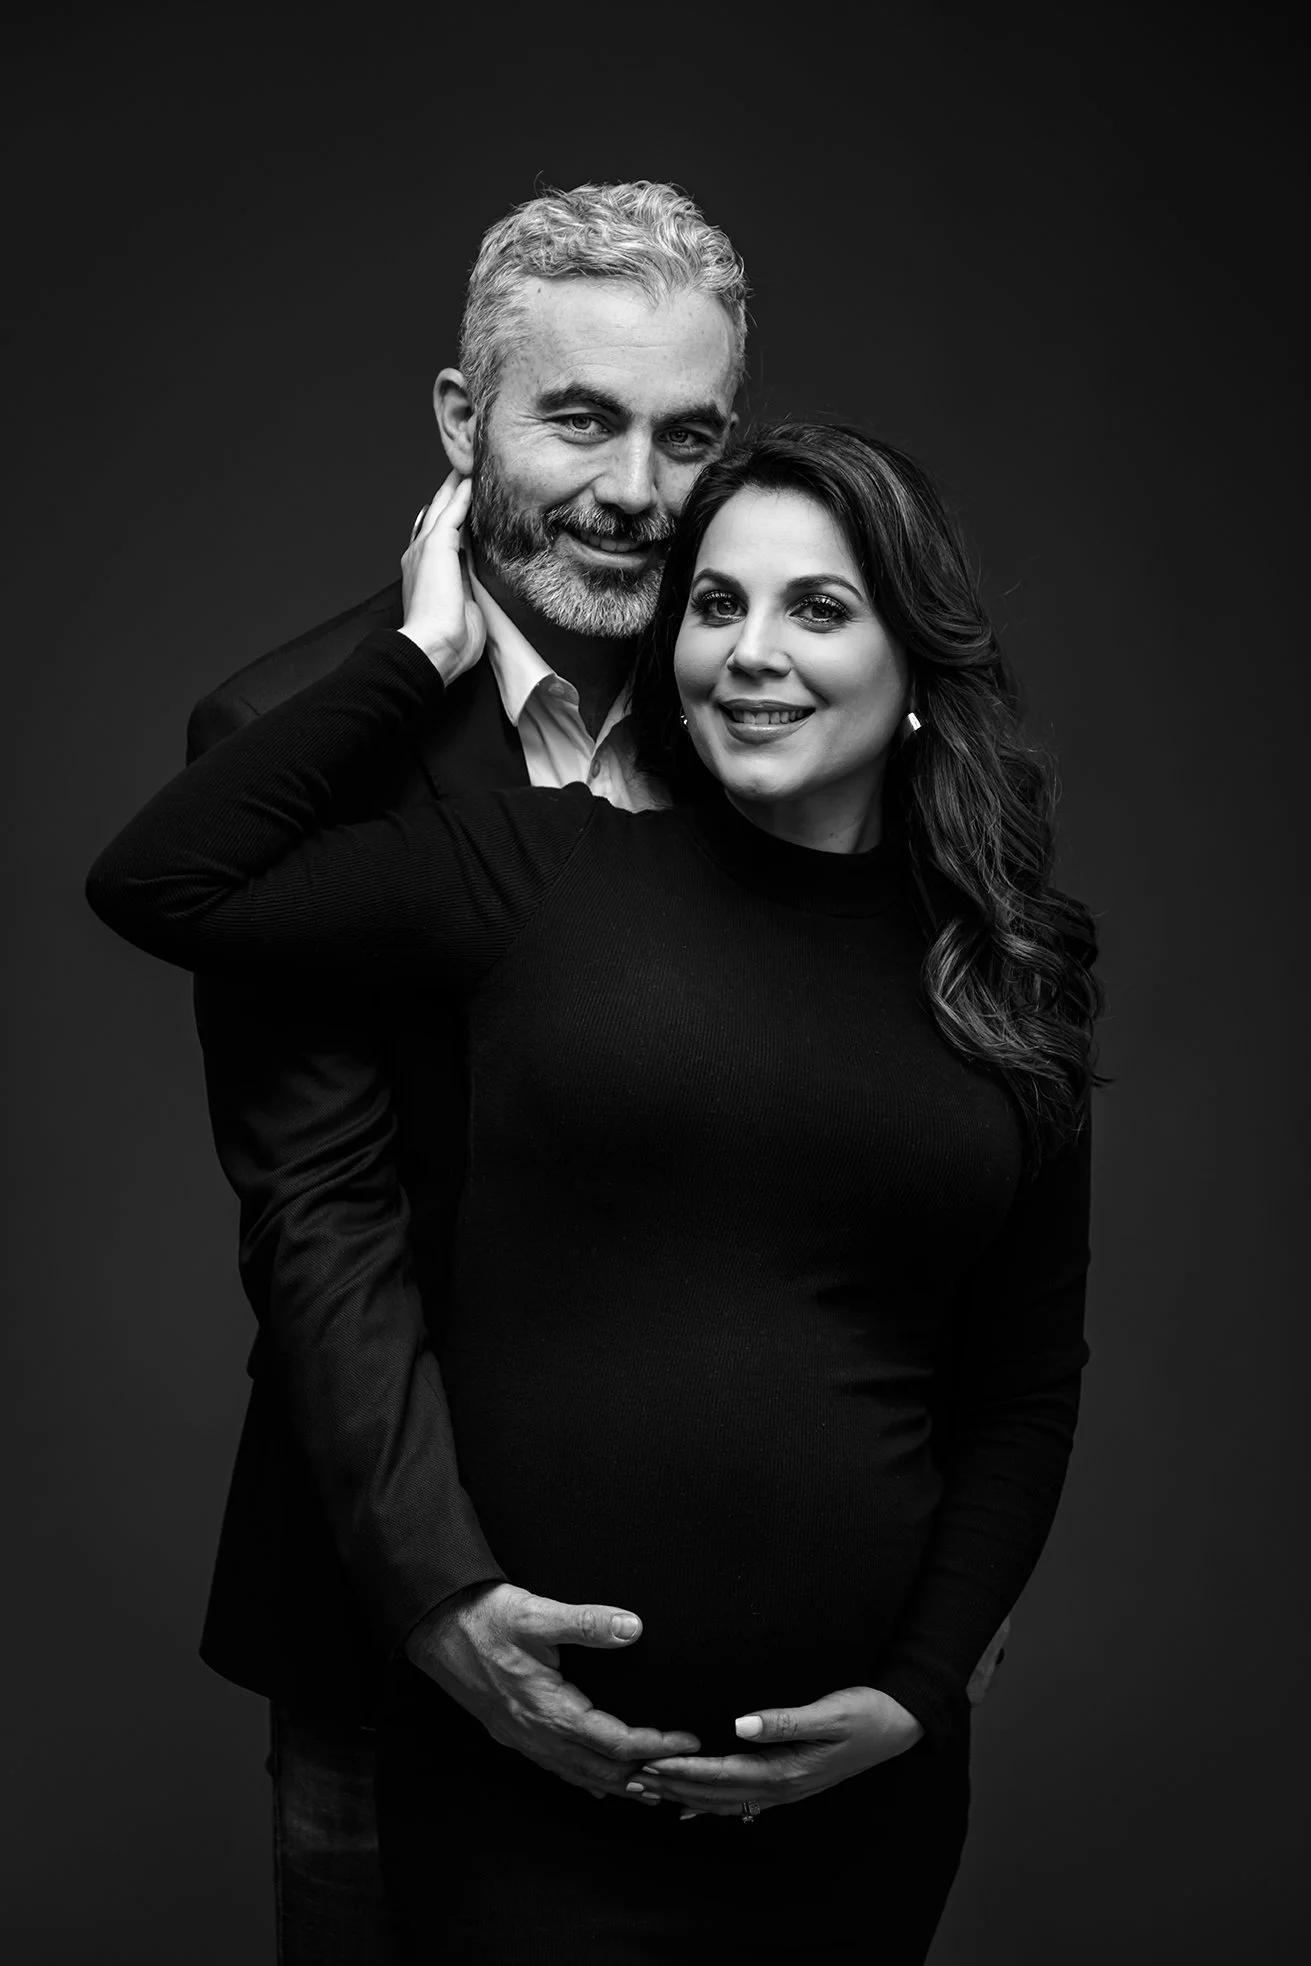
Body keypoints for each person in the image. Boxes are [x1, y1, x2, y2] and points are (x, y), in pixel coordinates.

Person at [88, 420, 1101, 1962]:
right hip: (527, 1789)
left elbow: (1024, 1378)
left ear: (916, 660)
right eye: (715, 605)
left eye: (817, 609)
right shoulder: (541, 866)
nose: (749, 653)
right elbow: (160, 880)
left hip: (853, 1807)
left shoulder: (1012, 961)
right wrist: (418, 654)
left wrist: (916, 1690)